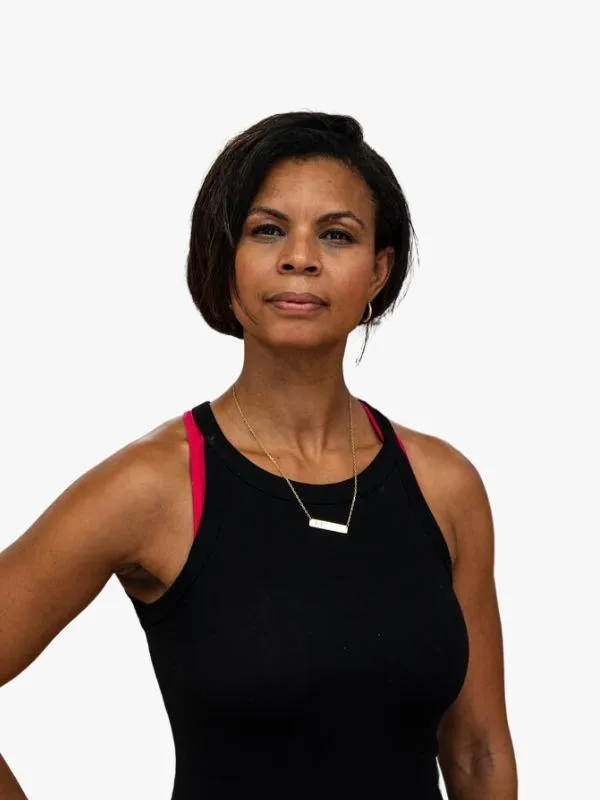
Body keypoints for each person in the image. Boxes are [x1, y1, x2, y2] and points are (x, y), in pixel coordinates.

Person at [0, 111, 517, 799]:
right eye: (268, 229)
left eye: (336, 234)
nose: (300, 257)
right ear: (226, 259)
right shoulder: (156, 485)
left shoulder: (444, 485)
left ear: (378, 271)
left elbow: (478, 750)